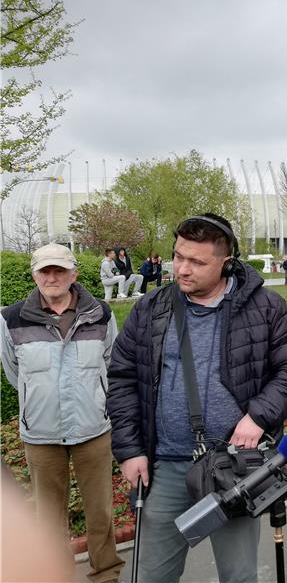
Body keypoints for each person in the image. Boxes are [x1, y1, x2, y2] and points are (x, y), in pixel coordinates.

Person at [106, 214, 287, 582]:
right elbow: (122, 378)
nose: (182, 269)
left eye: (197, 262)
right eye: (178, 256)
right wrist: (130, 450)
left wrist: (258, 417)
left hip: (233, 469)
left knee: (238, 576)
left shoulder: (264, 307)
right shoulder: (152, 308)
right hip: (165, 467)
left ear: (226, 262)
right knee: (149, 576)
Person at [0, 243, 125, 583]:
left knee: (100, 512)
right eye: (45, 270)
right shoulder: (11, 319)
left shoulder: (101, 313)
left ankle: (106, 574)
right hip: (40, 435)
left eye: (59, 270)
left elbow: (111, 364)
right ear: (34, 275)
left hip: (93, 431)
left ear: (74, 274)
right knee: (48, 518)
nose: (51, 277)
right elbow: (15, 373)